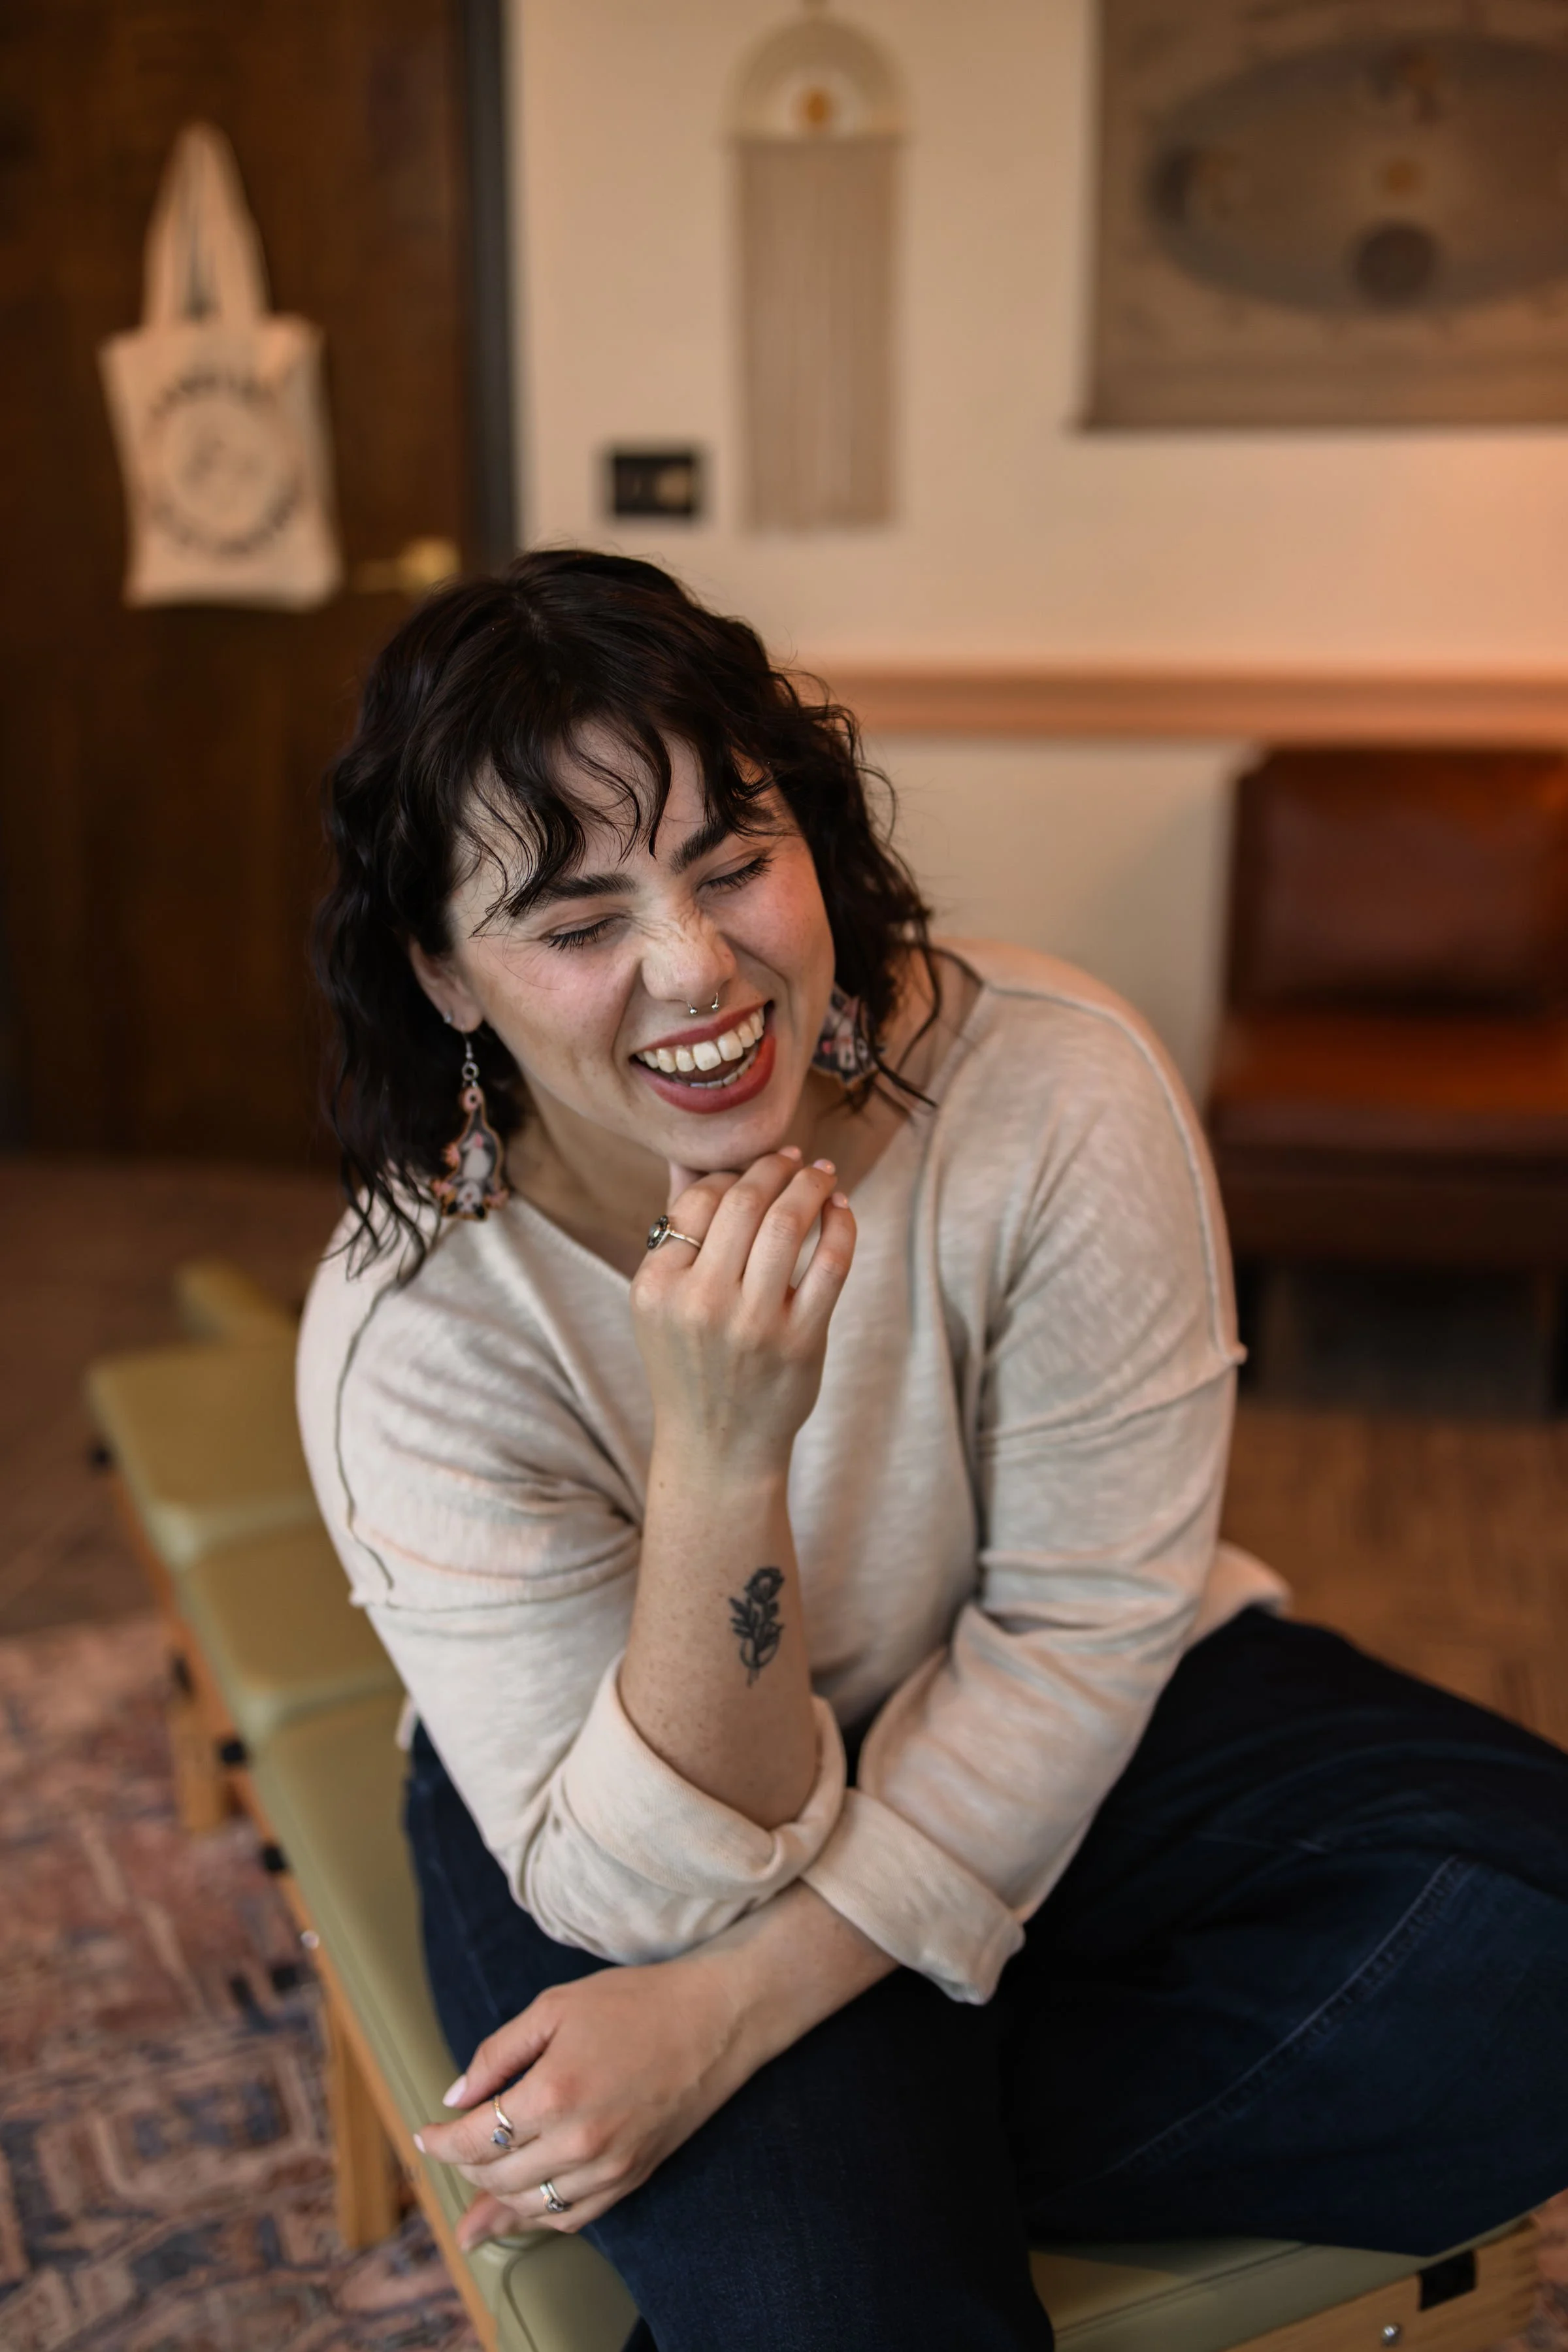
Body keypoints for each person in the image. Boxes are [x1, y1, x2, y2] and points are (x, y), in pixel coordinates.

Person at [299, 551, 1568, 2352]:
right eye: (579, 927)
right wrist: (727, 1459)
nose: (694, 966)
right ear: (442, 975)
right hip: (636, 1809)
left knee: (1536, 1946)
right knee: (846, 2309)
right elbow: (653, 1889)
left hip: (1048, 1678)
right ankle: (844, 2194)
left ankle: (858, 2136)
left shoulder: (1053, 1088)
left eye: (733, 862)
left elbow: (1079, 1617)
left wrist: (750, 2017)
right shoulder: (412, 1329)